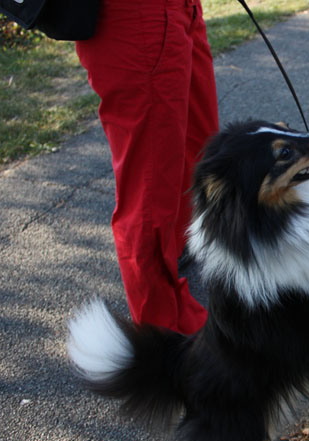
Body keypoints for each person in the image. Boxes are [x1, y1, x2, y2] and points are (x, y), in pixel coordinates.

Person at [75, 0, 219, 335]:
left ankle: (178, 253)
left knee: (201, 149)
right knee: (150, 187)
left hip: (180, 9)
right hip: (137, 15)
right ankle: (164, 334)